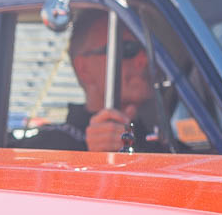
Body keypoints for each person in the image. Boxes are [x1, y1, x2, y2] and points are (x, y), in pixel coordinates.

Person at [22, 11, 165, 153]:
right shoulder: (50, 147)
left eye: (147, 50)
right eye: (127, 49)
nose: (144, 60)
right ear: (84, 69)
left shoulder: (162, 141)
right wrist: (92, 160)